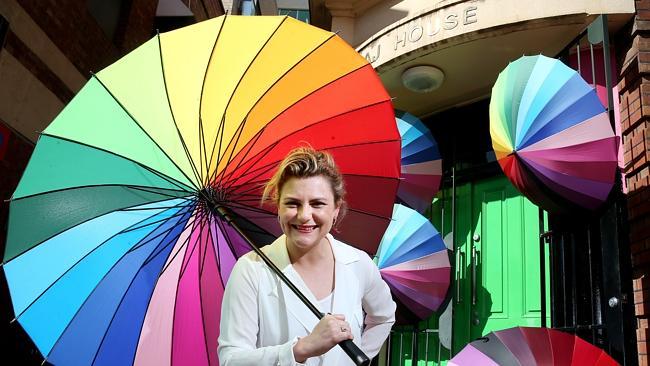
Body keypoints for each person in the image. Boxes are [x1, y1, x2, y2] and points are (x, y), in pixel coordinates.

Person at [218, 146, 396, 365]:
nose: (304, 216)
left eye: (317, 204)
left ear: (336, 210)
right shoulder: (250, 270)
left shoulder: (359, 264)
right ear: (278, 207)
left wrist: (355, 358)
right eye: (292, 203)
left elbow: (384, 317)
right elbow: (230, 359)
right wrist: (299, 349)